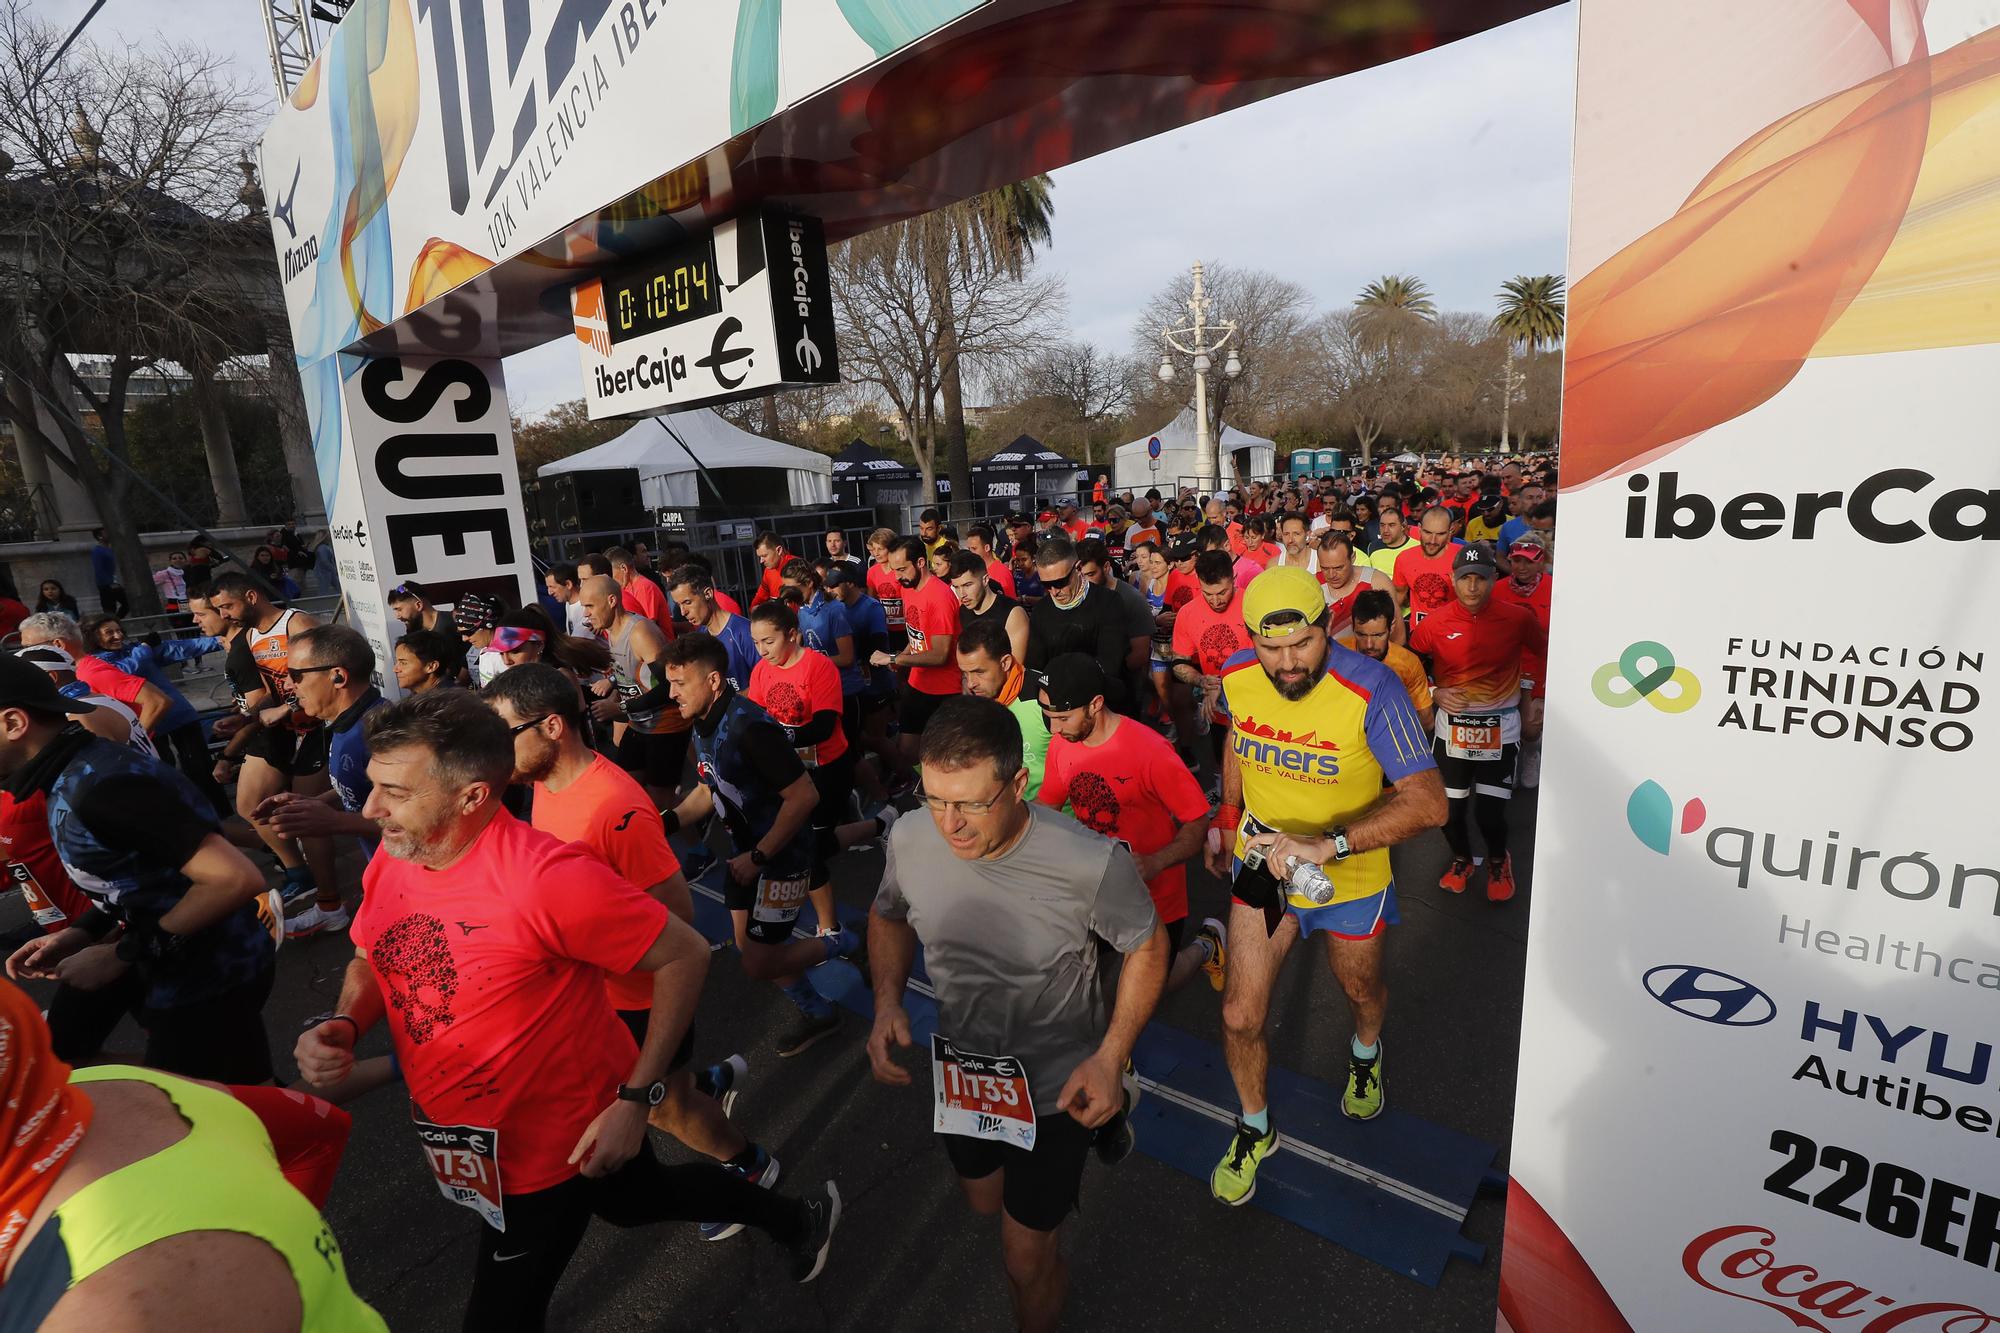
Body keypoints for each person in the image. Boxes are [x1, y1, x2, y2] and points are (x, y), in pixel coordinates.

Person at [295, 692, 839, 1328]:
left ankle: (787, 1208)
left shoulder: (546, 877)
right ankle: (798, 1217)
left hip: (554, 1141)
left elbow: (684, 952)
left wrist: (637, 1101)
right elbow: (370, 949)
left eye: (394, 791)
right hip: (473, 1136)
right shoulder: (398, 852)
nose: (370, 809)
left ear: (471, 797)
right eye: (372, 786)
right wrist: (345, 1023)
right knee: (639, 1200)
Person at [866, 696, 1167, 1333]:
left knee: (1024, 1258)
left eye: (973, 802)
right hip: (967, 1075)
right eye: (935, 798)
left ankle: (1113, 1096)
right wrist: (887, 1001)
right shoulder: (911, 836)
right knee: (985, 1202)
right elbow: (888, 913)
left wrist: (1110, 1057)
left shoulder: (1091, 861)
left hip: (1058, 1088)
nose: (952, 825)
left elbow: (1146, 943)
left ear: (1019, 782)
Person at [486, 663, 772, 1240]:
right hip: (596, 995)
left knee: (660, 1109)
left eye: (503, 735)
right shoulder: (544, 785)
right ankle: (704, 1082)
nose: (493, 752)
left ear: (550, 728)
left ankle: (749, 1165)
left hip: (641, 998)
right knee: (669, 1092)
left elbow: (680, 923)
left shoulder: (616, 808)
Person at [1203, 566, 1446, 1203]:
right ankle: (1256, 1129)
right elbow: (1238, 737)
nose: (1286, 663)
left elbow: (1429, 803)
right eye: (1271, 647)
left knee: (1359, 986)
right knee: (1238, 1011)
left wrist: (1329, 843)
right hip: (1264, 857)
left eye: (1302, 644)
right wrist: (1227, 817)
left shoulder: (1374, 687)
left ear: (1327, 626)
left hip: (1349, 864)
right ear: (1250, 637)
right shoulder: (1235, 673)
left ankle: (1366, 1052)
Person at [0, 979, 388, 1331]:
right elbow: (319, 1130)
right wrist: (280, 1228)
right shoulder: (122, 1083)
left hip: (200, 974)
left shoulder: (114, 1305)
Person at [0, 653, 279, 1083]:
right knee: (61, 1055)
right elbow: (140, 878)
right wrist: (83, 932)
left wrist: (118, 954)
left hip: (208, 971)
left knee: (210, 1106)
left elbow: (235, 879)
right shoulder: (70, 775)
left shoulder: (103, 784)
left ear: (14, 723)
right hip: (156, 946)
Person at [660, 633, 864, 1056]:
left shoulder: (750, 727)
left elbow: (804, 796)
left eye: (681, 683)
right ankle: (819, 1011)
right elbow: (707, 788)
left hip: (779, 859)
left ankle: (844, 943)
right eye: (670, 682)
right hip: (745, 857)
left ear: (714, 681)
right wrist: (668, 821)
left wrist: (759, 856)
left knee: (758, 961)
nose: (671, 692)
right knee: (753, 951)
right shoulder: (702, 720)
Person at [1037, 654, 1225, 996]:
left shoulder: (1151, 751)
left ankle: (1206, 947)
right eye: (1048, 717)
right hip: (1095, 889)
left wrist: (1154, 862)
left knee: (1150, 991)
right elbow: (1046, 808)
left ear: (1095, 704)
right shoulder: (1062, 744)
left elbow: (1196, 822)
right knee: (1089, 985)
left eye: (1063, 718)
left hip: (1155, 897)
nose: (1054, 730)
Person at [1410, 543, 1547, 901]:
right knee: (1448, 813)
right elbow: (1412, 664)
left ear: (1493, 579)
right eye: (1465, 579)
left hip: (1500, 729)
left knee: (1489, 813)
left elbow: (1540, 651)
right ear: (1453, 580)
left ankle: (1499, 860)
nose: (1473, 587)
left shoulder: (1518, 618)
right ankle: (1462, 859)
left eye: (1481, 579)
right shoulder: (1435, 623)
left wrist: (1531, 695)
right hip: (1452, 729)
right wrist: (1433, 690)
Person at [205, 574, 335, 912]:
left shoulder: (296, 622)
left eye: (227, 606)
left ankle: (329, 902)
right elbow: (267, 693)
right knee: (249, 805)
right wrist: (245, 718)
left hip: (316, 726)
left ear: (250, 596)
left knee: (306, 816)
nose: (225, 614)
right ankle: (298, 873)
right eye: (219, 609)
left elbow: (325, 678)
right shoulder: (249, 636)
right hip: (282, 730)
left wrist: (287, 708)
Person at [250, 625, 387, 938]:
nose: (287, 684)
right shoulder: (346, 724)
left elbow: (423, 825)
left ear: (338, 676)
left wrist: (333, 821)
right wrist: (313, 803)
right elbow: (359, 788)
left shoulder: (383, 735)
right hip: (385, 874)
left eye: (295, 674)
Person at [83, 614, 228, 816]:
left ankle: (220, 815)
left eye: (119, 630)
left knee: (201, 769)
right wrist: (144, 648)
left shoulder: (135, 650)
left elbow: (179, 648)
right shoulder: (96, 664)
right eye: (109, 632)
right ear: (93, 637)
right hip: (147, 725)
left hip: (178, 716)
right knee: (162, 772)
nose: (117, 636)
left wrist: (223, 640)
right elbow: (125, 670)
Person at [871, 536, 960, 769]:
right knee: (906, 750)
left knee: (944, 755)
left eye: (902, 569)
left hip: (944, 691)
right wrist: (903, 657)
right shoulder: (908, 586)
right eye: (894, 570)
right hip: (917, 683)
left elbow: (940, 654)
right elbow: (916, 633)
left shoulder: (940, 596)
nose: (897, 577)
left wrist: (894, 657)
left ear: (921, 562)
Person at [1168, 550, 1253, 785]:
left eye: (1222, 592)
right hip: (1217, 710)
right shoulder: (1187, 613)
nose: (1216, 600)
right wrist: (1203, 681)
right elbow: (1180, 664)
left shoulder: (1253, 604)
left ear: (1233, 579)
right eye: (1208, 594)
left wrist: (1223, 684)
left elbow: (1269, 659)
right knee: (1223, 762)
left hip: (1255, 704)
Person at [17, 613, 172, 740]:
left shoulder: (92, 672)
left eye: (29, 647)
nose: (23, 654)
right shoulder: (78, 670)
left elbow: (158, 701)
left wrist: (132, 743)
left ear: (58, 644)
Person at [1023, 535, 1129, 714]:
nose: (1054, 592)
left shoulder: (1109, 602)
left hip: (1103, 705)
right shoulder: (1041, 610)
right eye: (1046, 585)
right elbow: (1036, 666)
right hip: (1058, 707)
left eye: (1060, 582)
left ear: (1078, 568)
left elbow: (1110, 663)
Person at [954, 615, 1050, 797]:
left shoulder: (1045, 699)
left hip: (1047, 816)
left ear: (1005, 662)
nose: (971, 683)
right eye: (965, 673)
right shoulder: (977, 701)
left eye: (979, 672)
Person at [1492, 532, 1553, 789]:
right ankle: (1509, 761)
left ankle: (1531, 754)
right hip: (1505, 669)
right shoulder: (1497, 590)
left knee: (1530, 728)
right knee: (1504, 724)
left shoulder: (1556, 587)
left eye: (1529, 561)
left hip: (1539, 668)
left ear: (1542, 561)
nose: (1522, 567)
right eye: (1517, 561)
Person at [1076, 539, 1152, 716]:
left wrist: (1106, 673)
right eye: (1079, 575)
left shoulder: (1132, 600)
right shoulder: (1080, 595)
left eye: (1090, 574)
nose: (1084, 581)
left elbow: (1140, 655)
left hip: (1123, 691)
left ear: (1106, 567)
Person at [1342, 589, 1435, 734]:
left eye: (1378, 635)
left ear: (1392, 626)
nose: (1369, 645)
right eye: (1361, 634)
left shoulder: (1408, 663)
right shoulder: (1335, 654)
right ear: (1352, 626)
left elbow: (1426, 722)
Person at [666, 564, 757, 688]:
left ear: (708, 594)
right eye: (679, 605)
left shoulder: (744, 632)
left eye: (687, 602)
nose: (683, 612)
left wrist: (732, 700)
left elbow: (767, 682)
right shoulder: (701, 637)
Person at [947, 550, 1029, 666]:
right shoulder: (963, 612)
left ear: (985, 580)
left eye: (967, 585)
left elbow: (1015, 669)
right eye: (956, 587)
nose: (962, 594)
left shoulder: (1012, 613)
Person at [1391, 506, 1462, 628]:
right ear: (1419, 529)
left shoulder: (1462, 558)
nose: (1433, 540)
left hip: (1453, 632)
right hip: (1418, 632)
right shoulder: (1404, 559)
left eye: (1440, 534)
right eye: (1427, 532)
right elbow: (1398, 596)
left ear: (1450, 531)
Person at [385, 580, 459, 641]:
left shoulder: (453, 624)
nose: (397, 616)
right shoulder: (413, 630)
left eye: (399, 609)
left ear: (419, 605)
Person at [392, 629, 458, 694]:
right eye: (397, 662)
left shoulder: (451, 702)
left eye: (403, 663)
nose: (395, 669)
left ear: (431, 666)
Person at [963, 523, 1017, 598]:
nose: (970, 553)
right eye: (969, 549)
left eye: (974, 548)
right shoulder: (972, 570)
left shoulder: (1001, 573)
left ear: (987, 548)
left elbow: (1010, 602)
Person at [1364, 504, 1416, 580]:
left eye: (1391, 525)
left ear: (1403, 527)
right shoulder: (1372, 546)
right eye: (1382, 525)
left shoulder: (1416, 547)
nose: (1385, 530)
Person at [543, 561, 590, 638]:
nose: (549, 592)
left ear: (568, 584)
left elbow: (577, 643)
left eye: (552, 587)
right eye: (548, 587)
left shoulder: (586, 608)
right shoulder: (568, 603)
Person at [88, 529, 126, 617]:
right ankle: (113, 622)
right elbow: (99, 569)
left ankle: (116, 621)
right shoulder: (98, 551)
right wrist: (109, 583)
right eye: (106, 533)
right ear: (99, 536)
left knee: (125, 603)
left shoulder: (108, 549)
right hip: (105, 585)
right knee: (110, 608)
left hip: (112, 582)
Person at [750, 532, 793, 605]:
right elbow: (761, 595)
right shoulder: (768, 570)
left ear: (779, 550)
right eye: (760, 557)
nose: (761, 561)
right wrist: (754, 608)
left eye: (764, 555)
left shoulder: (797, 567)